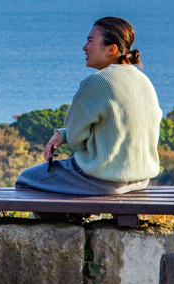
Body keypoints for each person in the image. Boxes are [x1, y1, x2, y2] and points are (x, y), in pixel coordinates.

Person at [15, 16, 161, 195]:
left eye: (90, 41)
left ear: (111, 49)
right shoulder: (144, 81)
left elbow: (76, 139)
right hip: (140, 179)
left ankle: (62, 224)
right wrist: (63, 134)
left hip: (103, 179)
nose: (85, 47)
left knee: (26, 181)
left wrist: (66, 134)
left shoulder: (97, 82)